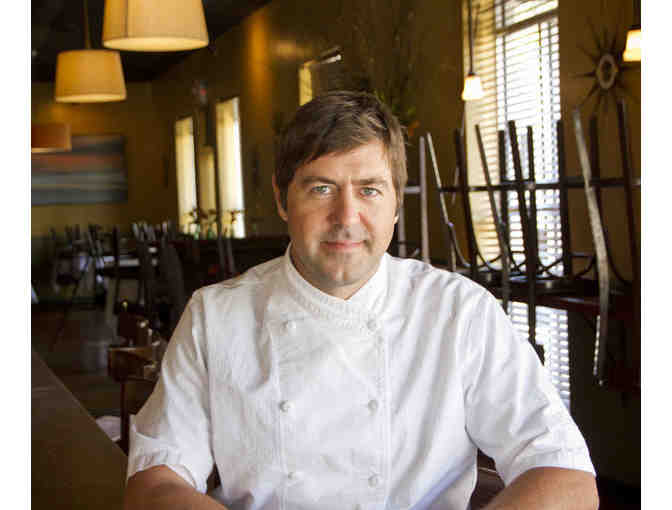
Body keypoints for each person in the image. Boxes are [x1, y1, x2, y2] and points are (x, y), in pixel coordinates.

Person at [124, 91, 598, 510]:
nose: (346, 217)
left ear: (396, 204)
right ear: (282, 199)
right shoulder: (215, 317)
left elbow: (565, 474)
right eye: (321, 188)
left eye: (369, 190)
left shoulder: (459, 312)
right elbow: (155, 481)